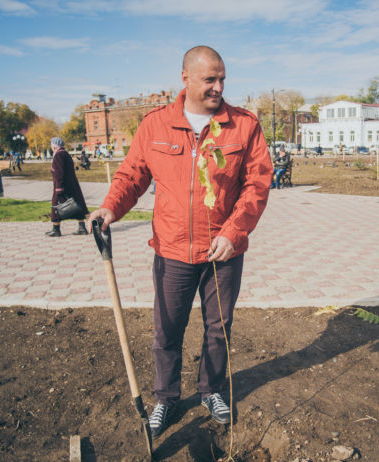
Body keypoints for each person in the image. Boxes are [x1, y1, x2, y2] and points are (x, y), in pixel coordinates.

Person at [89, 45, 272, 439]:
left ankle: (211, 390)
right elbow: (131, 175)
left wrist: (234, 231)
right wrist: (109, 210)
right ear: (185, 78)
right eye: (210, 79)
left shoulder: (243, 125)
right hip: (172, 250)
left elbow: (257, 185)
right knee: (166, 330)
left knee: (219, 328)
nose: (219, 87)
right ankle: (166, 398)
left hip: (223, 252)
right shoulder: (156, 125)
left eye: (223, 78)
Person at [46, 137, 88, 236]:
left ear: (54, 146)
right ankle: (82, 228)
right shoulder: (65, 153)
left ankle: (56, 229)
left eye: (52, 145)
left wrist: (59, 188)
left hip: (62, 185)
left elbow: (59, 173)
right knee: (76, 205)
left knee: (56, 205)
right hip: (72, 185)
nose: (51, 147)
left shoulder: (58, 155)